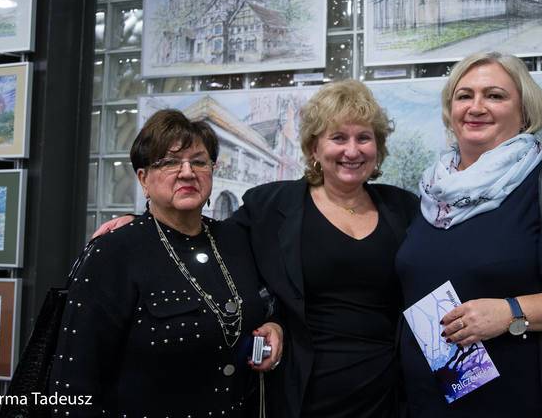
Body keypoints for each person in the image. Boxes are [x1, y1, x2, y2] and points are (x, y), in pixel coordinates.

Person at [93, 81, 419, 418]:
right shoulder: (270, 206)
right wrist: (146, 222)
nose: (352, 151)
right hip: (303, 391)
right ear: (314, 148)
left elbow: (436, 267)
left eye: (363, 138)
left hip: (386, 389)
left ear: (377, 147)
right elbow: (205, 238)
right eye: (338, 138)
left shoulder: (404, 208)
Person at [395, 51, 542, 417]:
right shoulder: (433, 194)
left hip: (522, 400)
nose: (476, 107)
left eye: (495, 95)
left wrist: (509, 311)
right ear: (451, 111)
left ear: (524, 113)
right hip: (431, 402)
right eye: (464, 96)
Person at [49, 109, 282, 417]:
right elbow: (72, 385)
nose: (187, 172)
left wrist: (275, 326)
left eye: (199, 162)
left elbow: (273, 300)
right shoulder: (113, 252)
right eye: (170, 162)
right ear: (143, 179)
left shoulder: (235, 241)